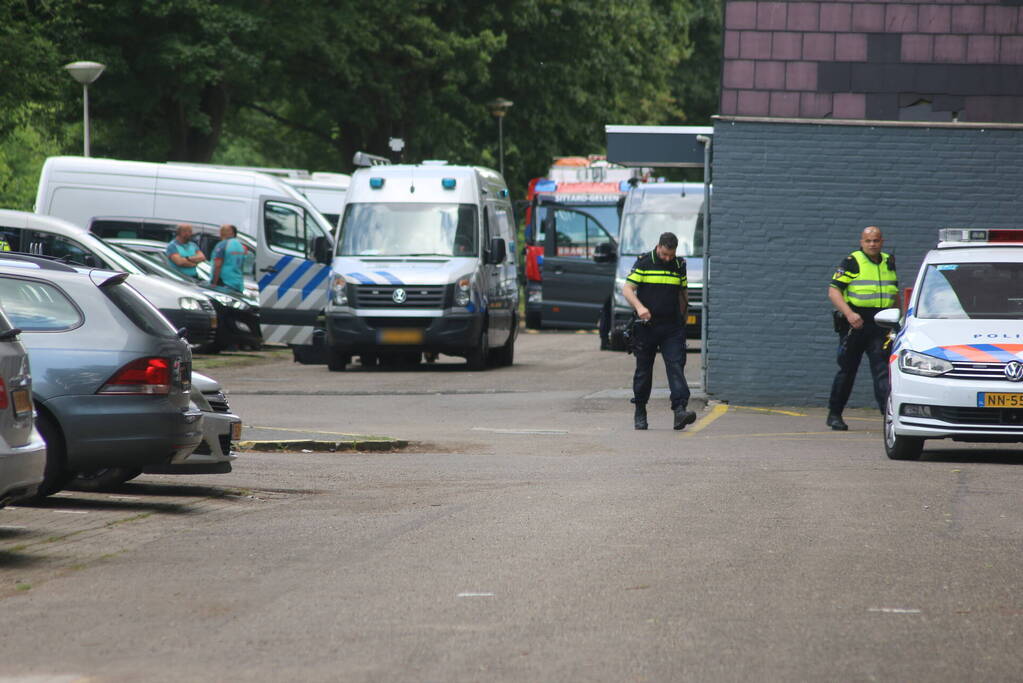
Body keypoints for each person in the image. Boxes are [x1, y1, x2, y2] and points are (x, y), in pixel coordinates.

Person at [826, 225, 900, 430]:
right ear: (861, 242)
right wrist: (849, 314)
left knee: (883, 370)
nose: (872, 244)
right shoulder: (852, 262)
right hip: (856, 323)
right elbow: (833, 291)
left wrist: (898, 319)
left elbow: (894, 294)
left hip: (882, 323)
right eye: (868, 241)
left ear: (882, 241)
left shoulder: (888, 261)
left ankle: (888, 415)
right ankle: (834, 414)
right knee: (847, 370)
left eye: (876, 240)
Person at [622, 231, 696, 431]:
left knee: (676, 366)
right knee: (643, 371)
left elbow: (683, 293)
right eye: (664, 254)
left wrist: (683, 319)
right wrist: (640, 308)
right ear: (659, 247)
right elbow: (627, 289)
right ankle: (640, 411)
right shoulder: (645, 262)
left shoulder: (679, 265)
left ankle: (680, 411)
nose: (667, 259)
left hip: (672, 327)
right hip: (647, 327)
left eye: (671, 255)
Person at [210, 224, 247, 294]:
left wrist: (214, 282)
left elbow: (218, 265)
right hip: (238, 283)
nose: (221, 233)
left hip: (224, 283)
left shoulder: (222, 245)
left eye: (223, 231)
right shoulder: (242, 247)